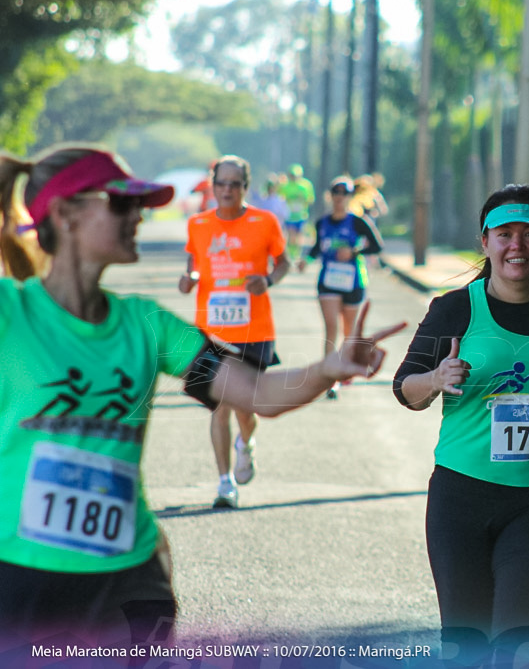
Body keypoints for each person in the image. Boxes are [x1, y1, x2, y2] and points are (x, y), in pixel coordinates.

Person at [0, 144, 404, 647]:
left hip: (129, 585)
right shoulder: (10, 315)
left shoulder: (148, 326)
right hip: (20, 579)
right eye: (124, 205)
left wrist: (328, 368)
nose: (140, 217)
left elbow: (257, 393)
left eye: (143, 206)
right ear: (66, 213)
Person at [392, 184, 529, 665]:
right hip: (460, 499)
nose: (518, 245)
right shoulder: (456, 308)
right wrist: (436, 377)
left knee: (520, 648)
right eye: (505, 234)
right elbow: (406, 389)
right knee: (466, 647)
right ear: (486, 242)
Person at [178, 155, 289, 509]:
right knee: (219, 407)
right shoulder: (198, 224)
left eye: (234, 184)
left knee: (246, 409)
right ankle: (225, 483)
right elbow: (193, 265)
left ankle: (246, 442)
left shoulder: (265, 221)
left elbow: (283, 261)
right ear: (213, 186)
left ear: (245, 186)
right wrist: (189, 279)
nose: (227, 190)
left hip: (255, 328)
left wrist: (268, 279)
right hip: (211, 331)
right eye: (221, 183)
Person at [298, 176, 385, 399]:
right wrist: (305, 261)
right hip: (328, 282)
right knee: (331, 329)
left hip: (353, 281)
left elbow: (376, 246)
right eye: (336, 194)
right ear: (330, 196)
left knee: (349, 332)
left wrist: (354, 253)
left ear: (349, 197)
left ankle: (344, 368)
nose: (339, 198)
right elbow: (318, 247)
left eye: (344, 194)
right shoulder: (322, 223)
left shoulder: (358, 222)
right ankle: (330, 379)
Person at [278, 163, 316, 259]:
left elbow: (310, 199)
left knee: (298, 237)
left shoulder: (306, 185)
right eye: (292, 175)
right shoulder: (285, 186)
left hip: (301, 215)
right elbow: (280, 199)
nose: (294, 177)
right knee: (291, 236)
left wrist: (301, 201)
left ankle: (296, 255)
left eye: (295, 175)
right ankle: (290, 255)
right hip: (289, 216)